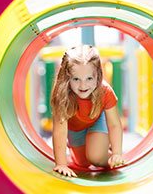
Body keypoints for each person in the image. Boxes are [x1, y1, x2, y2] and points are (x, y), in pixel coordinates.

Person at [51, 45, 125, 177]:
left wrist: (117, 154)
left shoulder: (105, 92)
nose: (83, 85)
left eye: (89, 78)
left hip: (97, 120)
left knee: (95, 157)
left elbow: (114, 124)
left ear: (98, 76)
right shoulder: (62, 94)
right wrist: (61, 164)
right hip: (75, 128)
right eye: (76, 79)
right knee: (82, 164)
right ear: (67, 78)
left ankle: (105, 150)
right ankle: (87, 146)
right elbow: (59, 130)